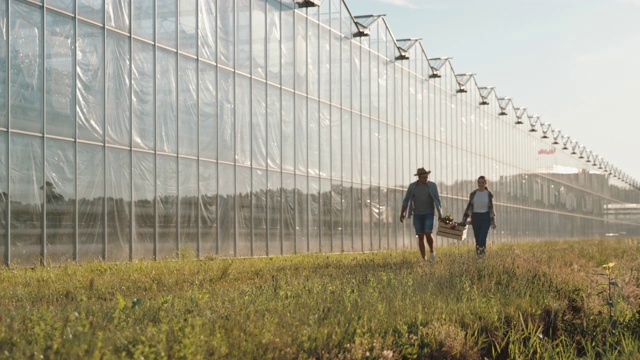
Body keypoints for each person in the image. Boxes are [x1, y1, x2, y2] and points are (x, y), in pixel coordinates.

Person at [400, 168, 443, 262]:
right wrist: (402, 213)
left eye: (427, 177)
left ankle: (432, 251)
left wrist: (440, 213)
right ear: (419, 178)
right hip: (417, 214)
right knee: (420, 236)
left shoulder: (432, 186)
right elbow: (406, 200)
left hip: (429, 213)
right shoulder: (412, 187)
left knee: (428, 233)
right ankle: (424, 259)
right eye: (423, 177)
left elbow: (437, 200)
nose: (426, 179)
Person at [462, 175, 496, 257]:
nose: (480, 184)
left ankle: (482, 255)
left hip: (486, 217)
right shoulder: (473, 194)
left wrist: (493, 222)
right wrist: (465, 219)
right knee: (477, 238)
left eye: (482, 183)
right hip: (476, 217)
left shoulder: (488, 194)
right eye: (479, 182)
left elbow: (491, 209)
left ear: (485, 183)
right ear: (477, 183)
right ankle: (479, 256)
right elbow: (469, 207)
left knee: (482, 237)